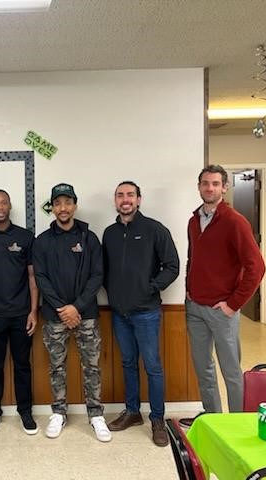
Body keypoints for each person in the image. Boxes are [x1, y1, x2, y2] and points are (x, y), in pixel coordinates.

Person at [102, 181, 179, 447]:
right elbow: (104, 269)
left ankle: (157, 419)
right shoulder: (110, 233)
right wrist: (113, 292)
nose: (125, 199)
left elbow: (172, 266)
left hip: (146, 312)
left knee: (152, 366)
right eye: (120, 195)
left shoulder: (155, 229)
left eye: (130, 195)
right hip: (119, 313)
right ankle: (133, 412)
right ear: (115, 200)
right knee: (127, 363)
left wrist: (151, 287)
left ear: (139, 199)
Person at [33, 183, 111, 442]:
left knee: (92, 366)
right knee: (57, 367)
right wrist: (62, 308)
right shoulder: (43, 241)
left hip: (86, 313)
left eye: (67, 202)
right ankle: (58, 412)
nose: (63, 208)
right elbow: (41, 277)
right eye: (58, 203)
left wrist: (76, 307)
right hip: (54, 315)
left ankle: (96, 414)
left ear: (75, 205)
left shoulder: (90, 238)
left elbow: (97, 275)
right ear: (52, 207)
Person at [186, 165, 265, 415]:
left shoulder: (235, 222)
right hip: (195, 308)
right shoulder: (194, 221)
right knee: (203, 369)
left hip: (222, 311)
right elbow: (193, 258)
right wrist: (189, 289)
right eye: (205, 183)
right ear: (199, 187)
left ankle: (237, 422)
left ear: (224, 187)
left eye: (215, 184)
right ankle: (213, 419)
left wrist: (233, 304)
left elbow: (257, 267)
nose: (209, 188)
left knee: (231, 372)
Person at [0, 189, 39, 436]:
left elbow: (32, 277)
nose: (0, 207)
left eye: (3, 203)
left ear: (10, 206)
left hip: (22, 314)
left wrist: (34, 311)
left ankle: (26, 412)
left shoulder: (26, 236)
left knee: (23, 365)